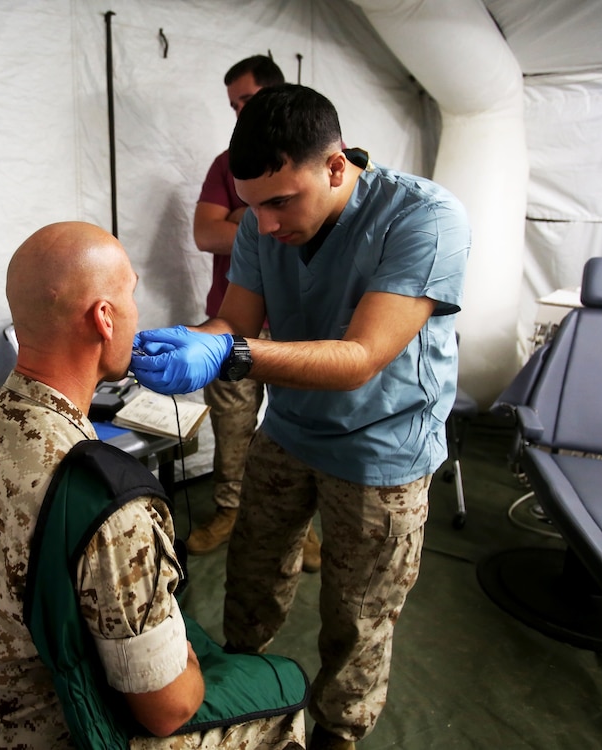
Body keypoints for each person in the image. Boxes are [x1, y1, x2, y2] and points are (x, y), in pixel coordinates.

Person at [131, 85, 470, 750]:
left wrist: (229, 352)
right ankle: (239, 691)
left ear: (337, 166)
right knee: (252, 571)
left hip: (383, 448)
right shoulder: (263, 219)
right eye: (254, 208)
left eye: (283, 201)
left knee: (357, 616)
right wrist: (199, 339)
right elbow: (238, 320)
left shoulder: (424, 218)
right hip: (288, 432)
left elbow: (361, 357)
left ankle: (337, 736)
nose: (269, 224)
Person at [0, 221, 306, 749]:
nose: (137, 313)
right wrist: (184, 652)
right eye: (131, 294)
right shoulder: (108, 505)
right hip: (55, 735)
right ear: (103, 317)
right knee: (280, 694)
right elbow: (168, 709)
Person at [190, 55, 322, 573]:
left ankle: (302, 528)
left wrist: (244, 217)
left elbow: (359, 358)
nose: (238, 112)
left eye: (245, 100)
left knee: (300, 427)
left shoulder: (315, 161)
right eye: (233, 105)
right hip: (234, 313)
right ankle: (229, 510)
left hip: (294, 328)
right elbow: (205, 234)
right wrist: (253, 222)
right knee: (233, 424)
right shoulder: (228, 164)